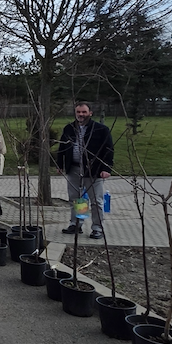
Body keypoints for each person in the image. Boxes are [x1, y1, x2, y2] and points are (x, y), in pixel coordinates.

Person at [55, 101, 114, 240]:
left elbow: (109, 149)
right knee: (77, 199)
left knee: (96, 201)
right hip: (74, 169)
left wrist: (106, 168)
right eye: (78, 112)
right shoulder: (69, 129)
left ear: (90, 113)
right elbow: (62, 147)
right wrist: (60, 164)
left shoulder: (100, 130)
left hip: (93, 170)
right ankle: (76, 224)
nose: (81, 115)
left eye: (84, 112)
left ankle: (97, 228)